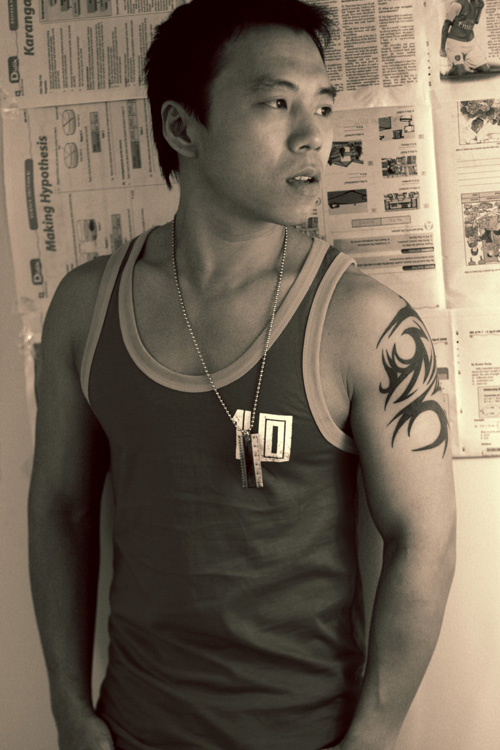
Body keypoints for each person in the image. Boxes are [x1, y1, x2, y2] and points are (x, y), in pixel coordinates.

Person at [28, 1, 456, 749]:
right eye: (276, 103)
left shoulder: (365, 321)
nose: (314, 134)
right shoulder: (85, 306)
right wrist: (68, 708)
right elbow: (61, 510)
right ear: (181, 127)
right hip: (129, 730)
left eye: (323, 105)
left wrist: (373, 736)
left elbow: (425, 539)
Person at [440, 0, 490, 75]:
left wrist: (480, 8)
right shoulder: (456, 5)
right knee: (460, 72)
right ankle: (447, 70)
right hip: (455, 43)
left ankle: (463, 64)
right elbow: (445, 26)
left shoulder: (478, 3)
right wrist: (442, 48)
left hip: (470, 43)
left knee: (485, 69)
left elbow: (476, 21)